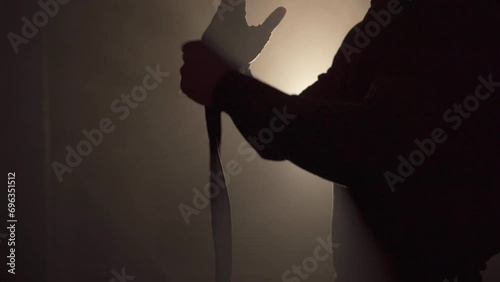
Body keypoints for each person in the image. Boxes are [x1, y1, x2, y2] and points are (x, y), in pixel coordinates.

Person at [180, 0, 500, 281]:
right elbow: (279, 137)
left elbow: (368, 145)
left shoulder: (449, 24)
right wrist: (234, 71)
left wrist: (228, 85)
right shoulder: (374, 33)